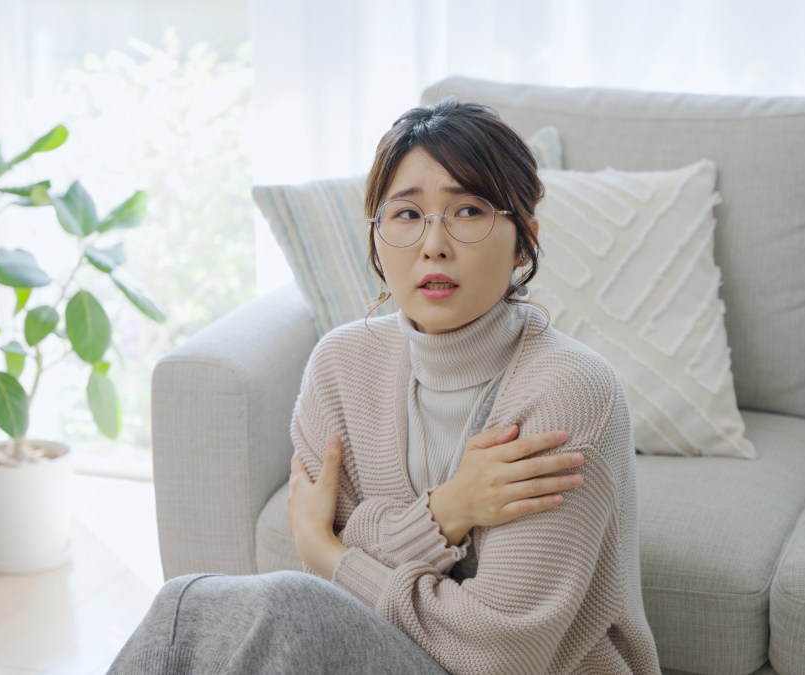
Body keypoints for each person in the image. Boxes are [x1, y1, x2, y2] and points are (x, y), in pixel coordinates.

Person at [108, 99, 659, 674]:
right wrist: (450, 510)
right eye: (407, 214)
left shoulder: (570, 390)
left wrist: (330, 554)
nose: (434, 244)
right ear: (375, 240)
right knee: (184, 606)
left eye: (468, 211)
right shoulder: (342, 366)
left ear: (524, 242)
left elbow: (500, 653)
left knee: (285, 609)